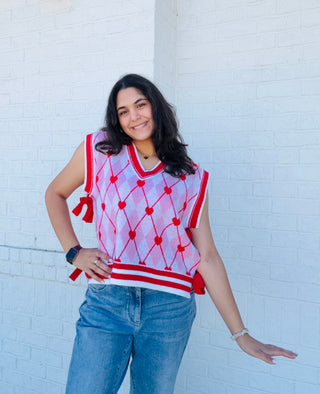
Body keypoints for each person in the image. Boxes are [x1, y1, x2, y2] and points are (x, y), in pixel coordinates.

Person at [45, 73, 297, 394]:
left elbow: (206, 256)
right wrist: (73, 251)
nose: (134, 116)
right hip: (108, 303)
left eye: (140, 105)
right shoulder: (100, 149)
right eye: (123, 111)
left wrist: (241, 334)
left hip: (169, 310)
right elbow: (55, 193)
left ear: (156, 107)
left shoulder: (190, 175)